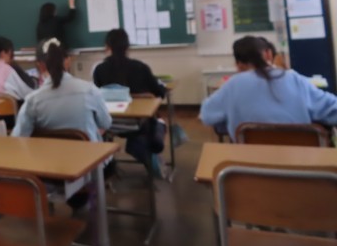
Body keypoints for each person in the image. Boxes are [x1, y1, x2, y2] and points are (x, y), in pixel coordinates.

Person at [200, 36, 337, 140]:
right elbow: (332, 109)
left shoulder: (233, 85)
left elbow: (206, 116)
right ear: (268, 54)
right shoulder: (294, 79)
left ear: (238, 64)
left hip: (248, 165)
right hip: (299, 164)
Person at [13, 38, 112, 142]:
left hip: (49, 152)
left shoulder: (33, 101)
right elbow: (106, 123)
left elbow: (19, 136)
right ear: (67, 61)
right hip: (89, 152)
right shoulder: (89, 90)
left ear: (40, 65)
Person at [93, 29, 167, 164]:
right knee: (159, 121)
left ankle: (108, 162)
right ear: (127, 47)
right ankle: (147, 152)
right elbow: (159, 93)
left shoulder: (99, 70)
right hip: (138, 124)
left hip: (108, 124)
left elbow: (97, 96)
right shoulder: (141, 67)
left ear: (107, 47)